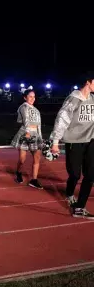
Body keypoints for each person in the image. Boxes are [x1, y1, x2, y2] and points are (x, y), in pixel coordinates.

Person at [51, 73, 94, 219]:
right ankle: (69, 193)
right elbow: (61, 120)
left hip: (91, 141)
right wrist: (55, 141)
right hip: (74, 142)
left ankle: (80, 207)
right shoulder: (73, 99)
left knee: (90, 175)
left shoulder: (93, 99)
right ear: (88, 82)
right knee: (75, 174)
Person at [11, 89, 43, 189]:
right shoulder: (23, 107)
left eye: (34, 96)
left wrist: (40, 138)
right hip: (25, 134)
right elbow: (26, 120)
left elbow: (39, 126)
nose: (33, 98)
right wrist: (28, 133)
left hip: (35, 135)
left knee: (37, 158)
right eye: (30, 96)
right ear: (25, 97)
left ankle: (34, 180)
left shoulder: (37, 111)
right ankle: (19, 172)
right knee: (22, 159)